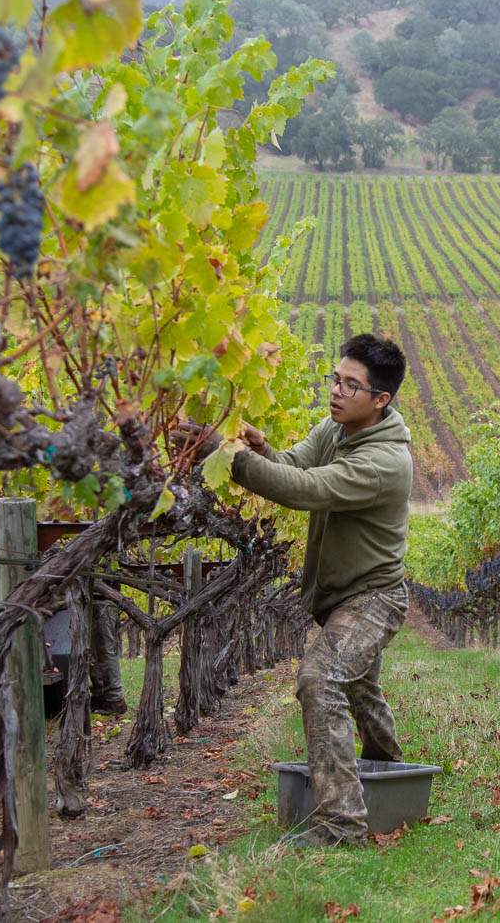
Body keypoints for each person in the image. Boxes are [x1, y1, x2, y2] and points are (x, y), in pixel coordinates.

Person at [175, 333, 413, 848]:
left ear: (381, 400)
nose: (336, 391)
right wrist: (263, 451)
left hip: (373, 596)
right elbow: (300, 465)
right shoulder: (337, 427)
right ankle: (394, 776)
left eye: (352, 385)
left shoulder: (386, 463)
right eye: (336, 378)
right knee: (357, 686)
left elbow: (306, 491)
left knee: (320, 676)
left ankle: (342, 825)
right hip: (342, 595)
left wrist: (228, 457)